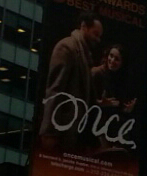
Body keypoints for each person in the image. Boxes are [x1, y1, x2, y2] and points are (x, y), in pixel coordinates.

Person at [39, 12, 102, 150]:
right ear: (84, 26)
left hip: (73, 134)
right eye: (95, 34)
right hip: (61, 133)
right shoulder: (67, 47)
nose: (98, 40)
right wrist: (49, 132)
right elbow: (55, 90)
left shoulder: (84, 54)